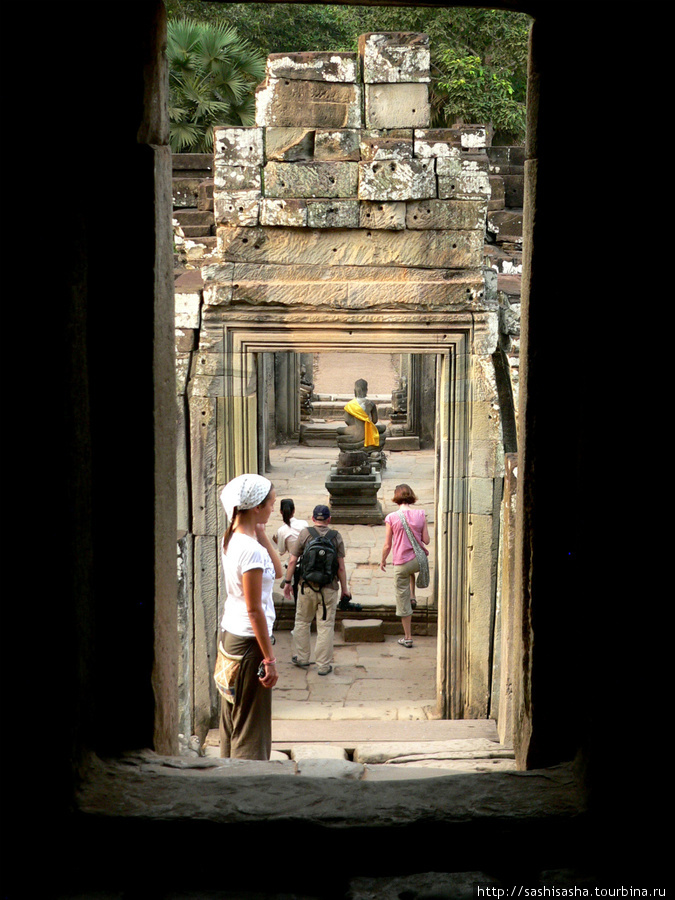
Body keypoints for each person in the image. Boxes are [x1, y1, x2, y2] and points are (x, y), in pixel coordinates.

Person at [218, 473, 283, 759]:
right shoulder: (251, 552)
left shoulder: (232, 538)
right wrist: (269, 658)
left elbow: (279, 572)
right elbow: (254, 609)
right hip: (250, 644)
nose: (273, 508)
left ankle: (225, 782)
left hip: (231, 637)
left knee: (232, 719)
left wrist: (260, 532)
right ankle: (247, 787)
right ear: (256, 506)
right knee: (250, 729)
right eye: (270, 503)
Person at [283, 504, 353, 675]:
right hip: (329, 588)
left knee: (302, 622)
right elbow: (341, 567)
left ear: (313, 519)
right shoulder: (336, 537)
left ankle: (302, 658)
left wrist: (287, 581)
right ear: (329, 519)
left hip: (306, 586)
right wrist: (345, 589)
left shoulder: (305, 533)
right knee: (326, 626)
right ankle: (323, 665)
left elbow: (292, 561)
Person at [379, 484, 430, 649]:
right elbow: (426, 541)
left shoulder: (392, 517)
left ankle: (408, 637)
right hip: (418, 561)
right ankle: (413, 595)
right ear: (411, 496)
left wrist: (383, 560)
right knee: (411, 572)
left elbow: (387, 544)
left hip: (401, 562)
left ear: (396, 498)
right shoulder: (421, 514)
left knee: (402, 600)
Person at [274, 499, 309, 601]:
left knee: (289, 564)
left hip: (294, 562)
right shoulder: (304, 524)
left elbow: (281, 551)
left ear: (281, 512)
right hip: (307, 559)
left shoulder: (282, 530)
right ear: (294, 510)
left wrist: (277, 541)